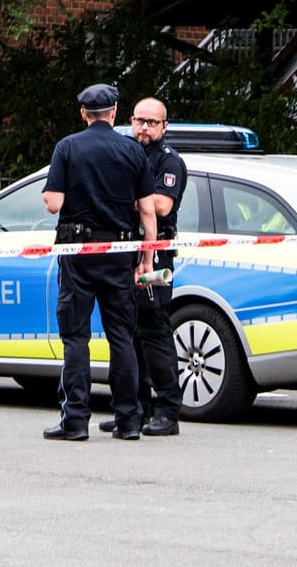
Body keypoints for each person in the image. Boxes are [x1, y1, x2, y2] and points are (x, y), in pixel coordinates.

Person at [41, 84, 157, 442]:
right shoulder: (133, 151)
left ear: (83, 114)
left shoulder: (68, 147)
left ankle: (75, 420)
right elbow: (148, 211)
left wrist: (56, 190)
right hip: (120, 249)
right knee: (121, 336)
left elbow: (53, 204)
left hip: (77, 251)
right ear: (115, 112)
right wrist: (147, 258)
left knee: (76, 336)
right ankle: (128, 420)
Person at [100, 96, 187, 437]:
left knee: (154, 331)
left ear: (164, 127)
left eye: (152, 122)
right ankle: (135, 409)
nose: (145, 128)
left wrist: (121, 197)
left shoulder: (169, 161)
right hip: (125, 252)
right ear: (130, 121)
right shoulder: (125, 152)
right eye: (140, 121)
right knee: (128, 333)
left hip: (155, 254)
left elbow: (162, 207)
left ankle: (168, 410)